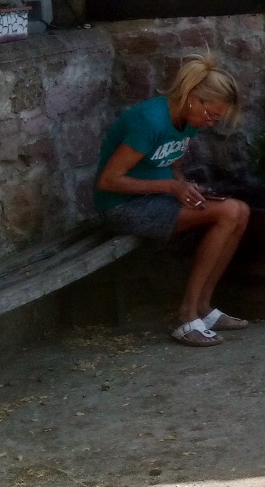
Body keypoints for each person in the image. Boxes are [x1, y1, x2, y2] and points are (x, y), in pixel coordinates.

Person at [95, 56, 253, 347]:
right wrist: (170, 186)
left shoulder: (187, 121)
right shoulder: (150, 121)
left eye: (216, 119)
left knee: (240, 211)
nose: (210, 123)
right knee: (229, 212)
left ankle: (204, 309)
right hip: (121, 207)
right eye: (210, 115)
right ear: (193, 98)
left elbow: (173, 166)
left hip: (154, 198)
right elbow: (108, 181)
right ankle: (185, 315)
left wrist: (187, 187)